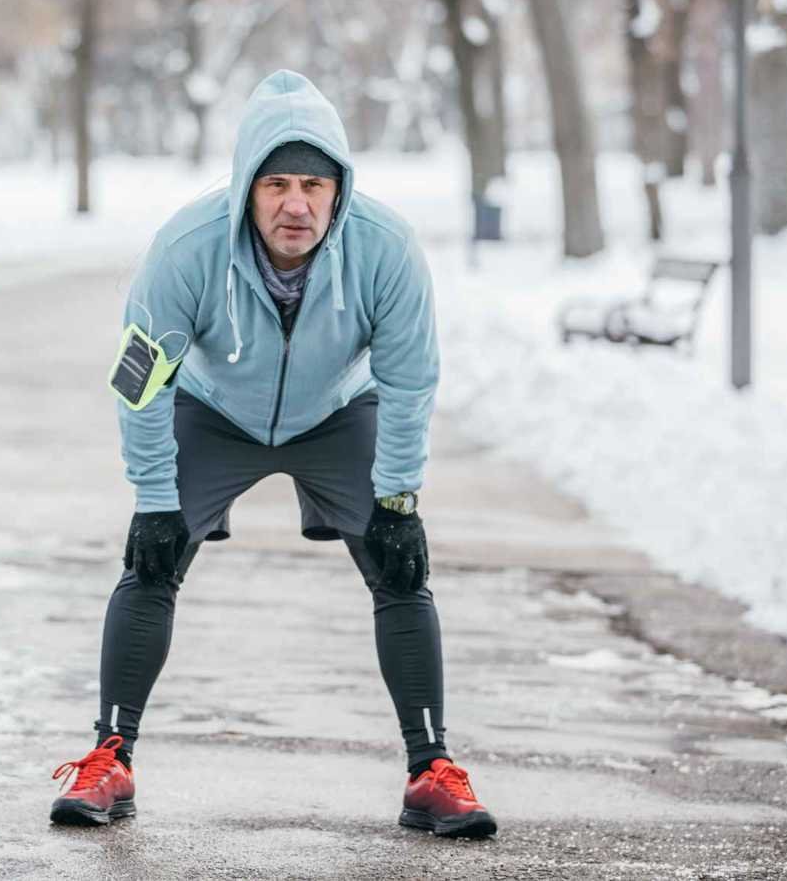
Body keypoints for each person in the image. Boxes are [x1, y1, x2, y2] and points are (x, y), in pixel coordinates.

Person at [48, 70, 496, 839]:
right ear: (247, 189)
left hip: (335, 413)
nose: (297, 205)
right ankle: (109, 758)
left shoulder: (386, 248)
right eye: (277, 184)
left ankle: (431, 772)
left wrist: (399, 498)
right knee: (150, 560)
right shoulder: (187, 247)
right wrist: (155, 499)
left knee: (401, 569)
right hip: (215, 411)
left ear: (338, 190)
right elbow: (140, 380)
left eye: (314, 185)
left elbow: (410, 380)